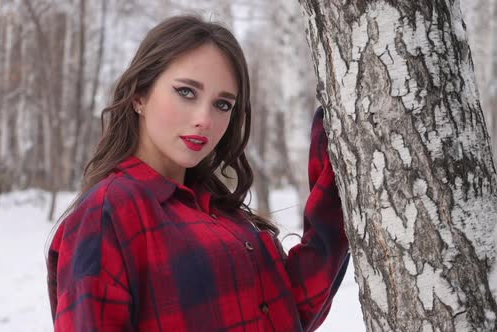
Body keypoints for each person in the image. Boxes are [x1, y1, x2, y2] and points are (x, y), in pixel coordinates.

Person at [46, 14, 349, 332]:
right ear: (140, 96)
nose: (204, 119)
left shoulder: (219, 210)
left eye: (222, 105)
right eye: (186, 92)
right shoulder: (108, 212)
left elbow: (290, 310)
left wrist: (338, 161)